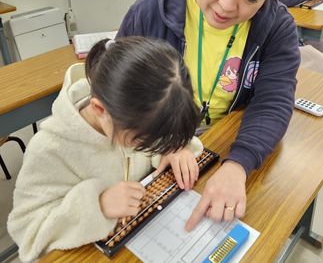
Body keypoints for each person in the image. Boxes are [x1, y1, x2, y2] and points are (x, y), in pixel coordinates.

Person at [117, 0, 300, 231]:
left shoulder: (277, 27)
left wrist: (238, 164)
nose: (228, 5)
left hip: (225, 144)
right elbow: (122, 99)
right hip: (156, 150)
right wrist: (164, 144)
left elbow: (273, 102)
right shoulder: (147, 14)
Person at [7, 37, 203, 262]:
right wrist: (97, 206)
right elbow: (26, 231)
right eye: (142, 141)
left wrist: (173, 149)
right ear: (99, 109)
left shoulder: (133, 115)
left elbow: (159, 134)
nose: (148, 147)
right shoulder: (49, 150)